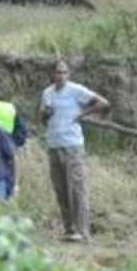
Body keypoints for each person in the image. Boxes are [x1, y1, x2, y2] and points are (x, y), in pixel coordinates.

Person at [39, 60, 110, 243]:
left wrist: (82, 115)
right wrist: (46, 113)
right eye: (57, 72)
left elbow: (103, 103)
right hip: (54, 144)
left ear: (68, 74)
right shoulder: (47, 93)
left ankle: (82, 230)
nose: (60, 76)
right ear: (52, 74)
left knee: (77, 188)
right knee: (60, 188)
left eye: (64, 72)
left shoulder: (76, 90)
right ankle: (69, 229)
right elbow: (43, 118)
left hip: (72, 145)